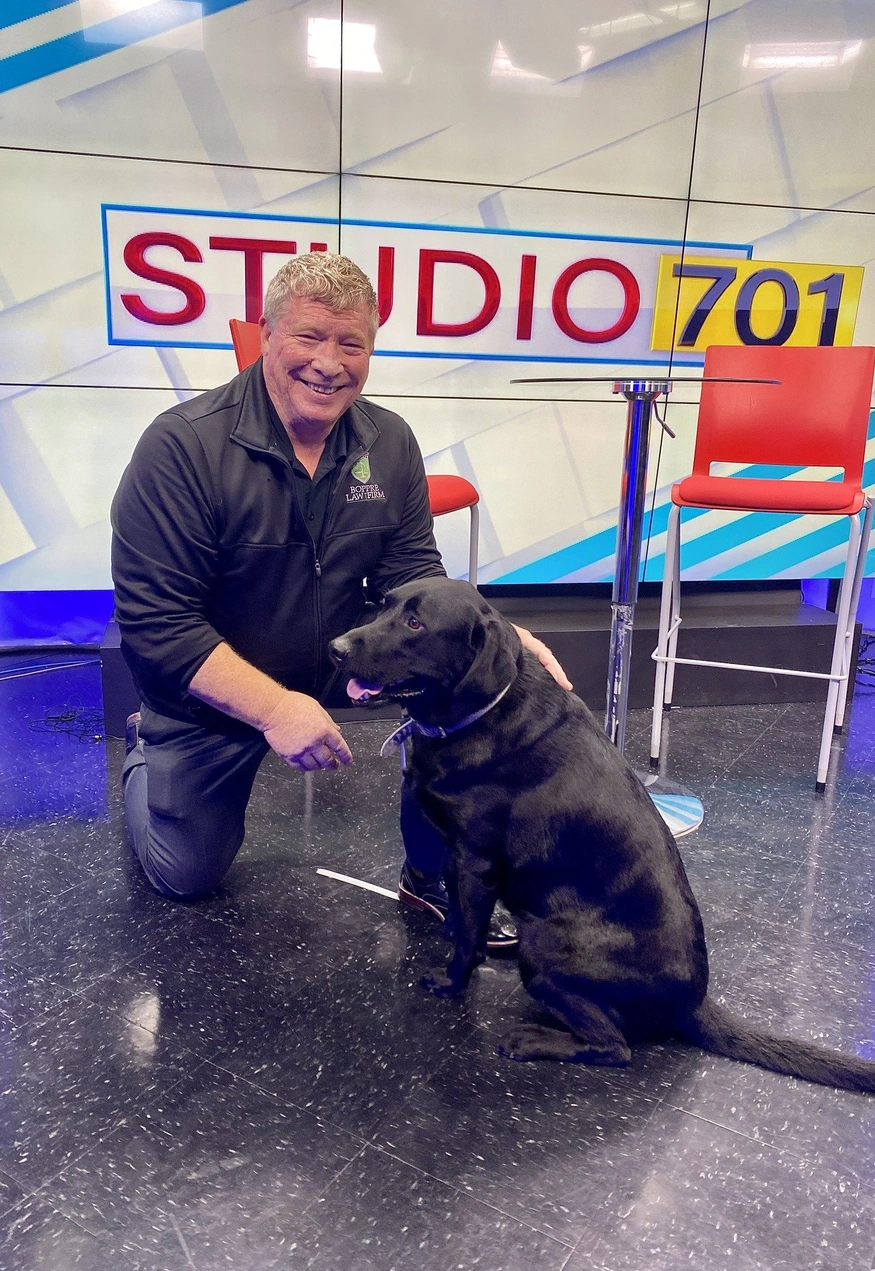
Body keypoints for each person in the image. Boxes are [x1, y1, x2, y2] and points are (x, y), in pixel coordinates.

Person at [111, 252, 570, 945]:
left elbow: (415, 576)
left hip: (341, 655)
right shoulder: (181, 448)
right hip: (216, 685)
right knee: (187, 876)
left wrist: (501, 637)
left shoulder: (388, 441)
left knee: (463, 687)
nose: (329, 363)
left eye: (351, 343)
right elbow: (159, 627)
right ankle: (148, 748)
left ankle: (431, 876)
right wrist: (273, 706)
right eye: (309, 337)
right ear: (267, 335)